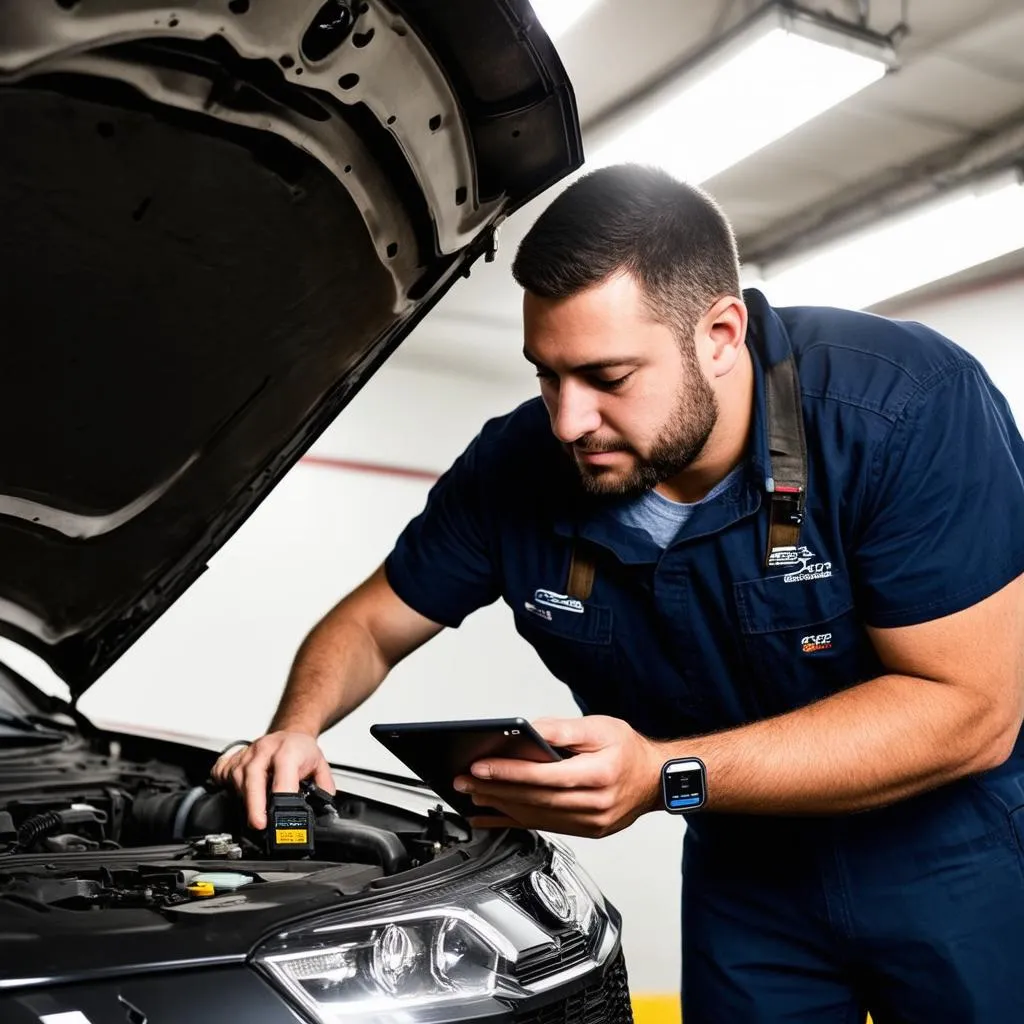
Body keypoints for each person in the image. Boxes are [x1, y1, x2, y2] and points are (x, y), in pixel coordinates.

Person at [214, 164, 1024, 1023]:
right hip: (745, 876)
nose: (568, 422)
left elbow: (970, 713)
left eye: (607, 377)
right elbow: (372, 624)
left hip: (954, 859)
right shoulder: (518, 466)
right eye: (546, 375)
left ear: (719, 336)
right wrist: (295, 730)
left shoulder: (901, 409)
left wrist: (662, 776)